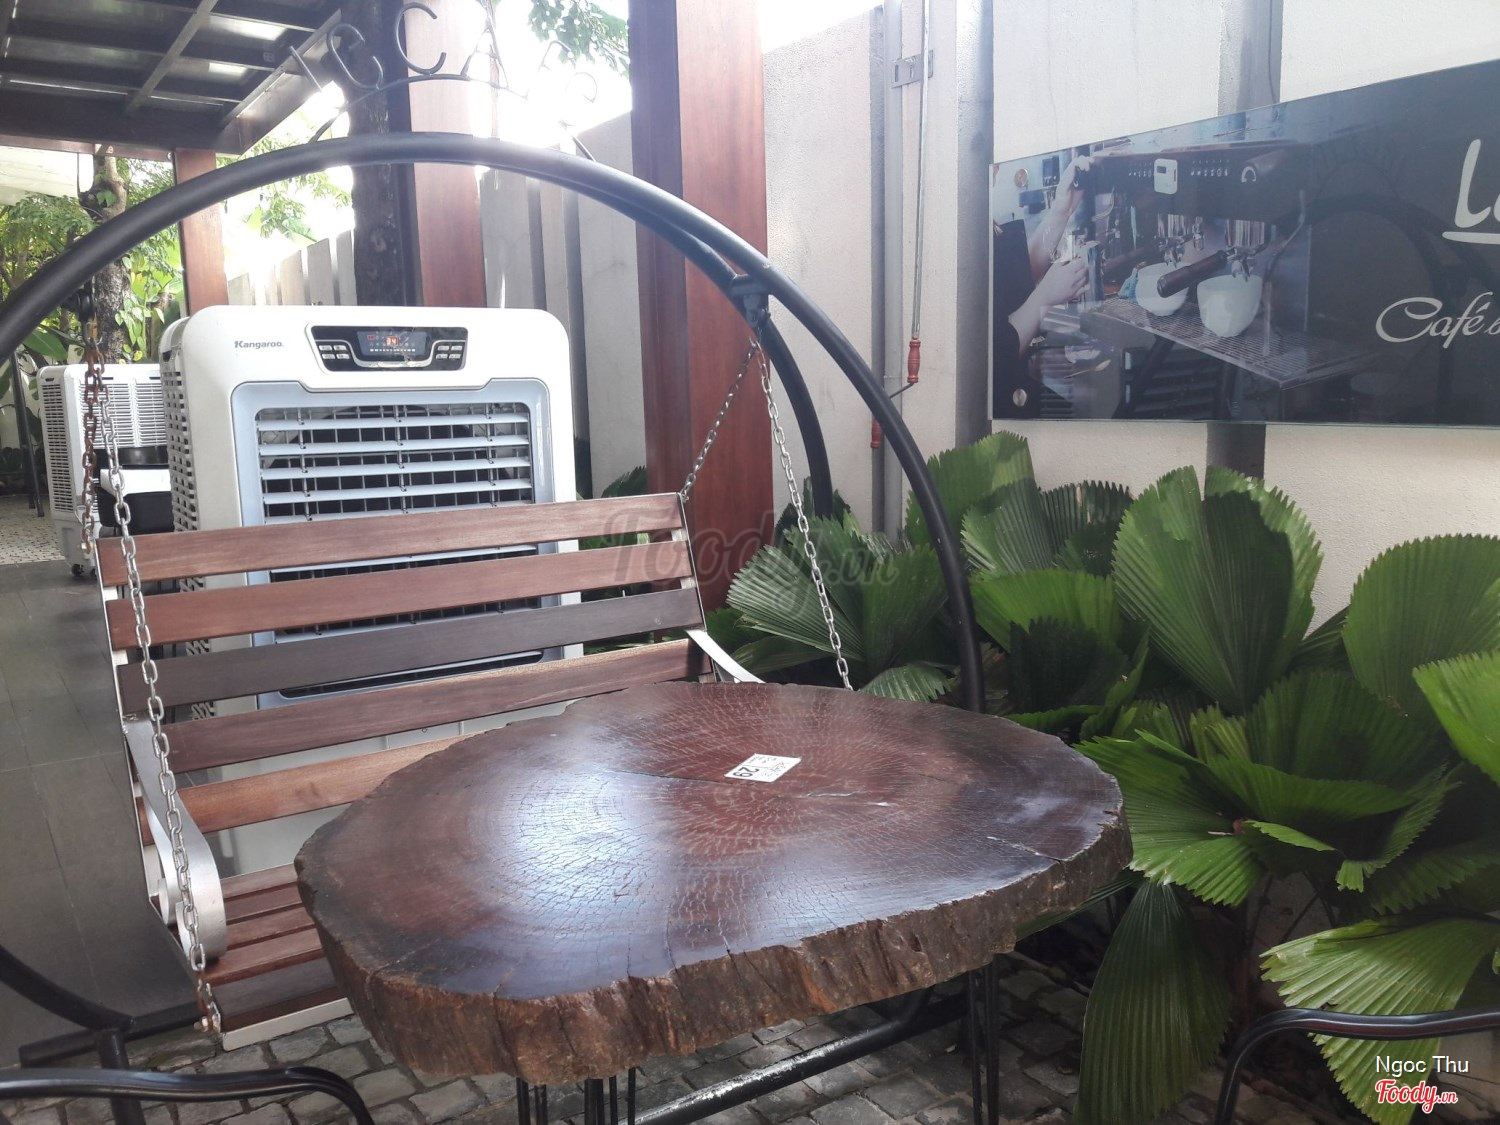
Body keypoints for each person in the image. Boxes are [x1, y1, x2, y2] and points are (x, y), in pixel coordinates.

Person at [993, 155, 1092, 415]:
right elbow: (994, 351)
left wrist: (1062, 210)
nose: (998, 166)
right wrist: (1045, 295)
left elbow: (1014, 279)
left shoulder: (980, 210)